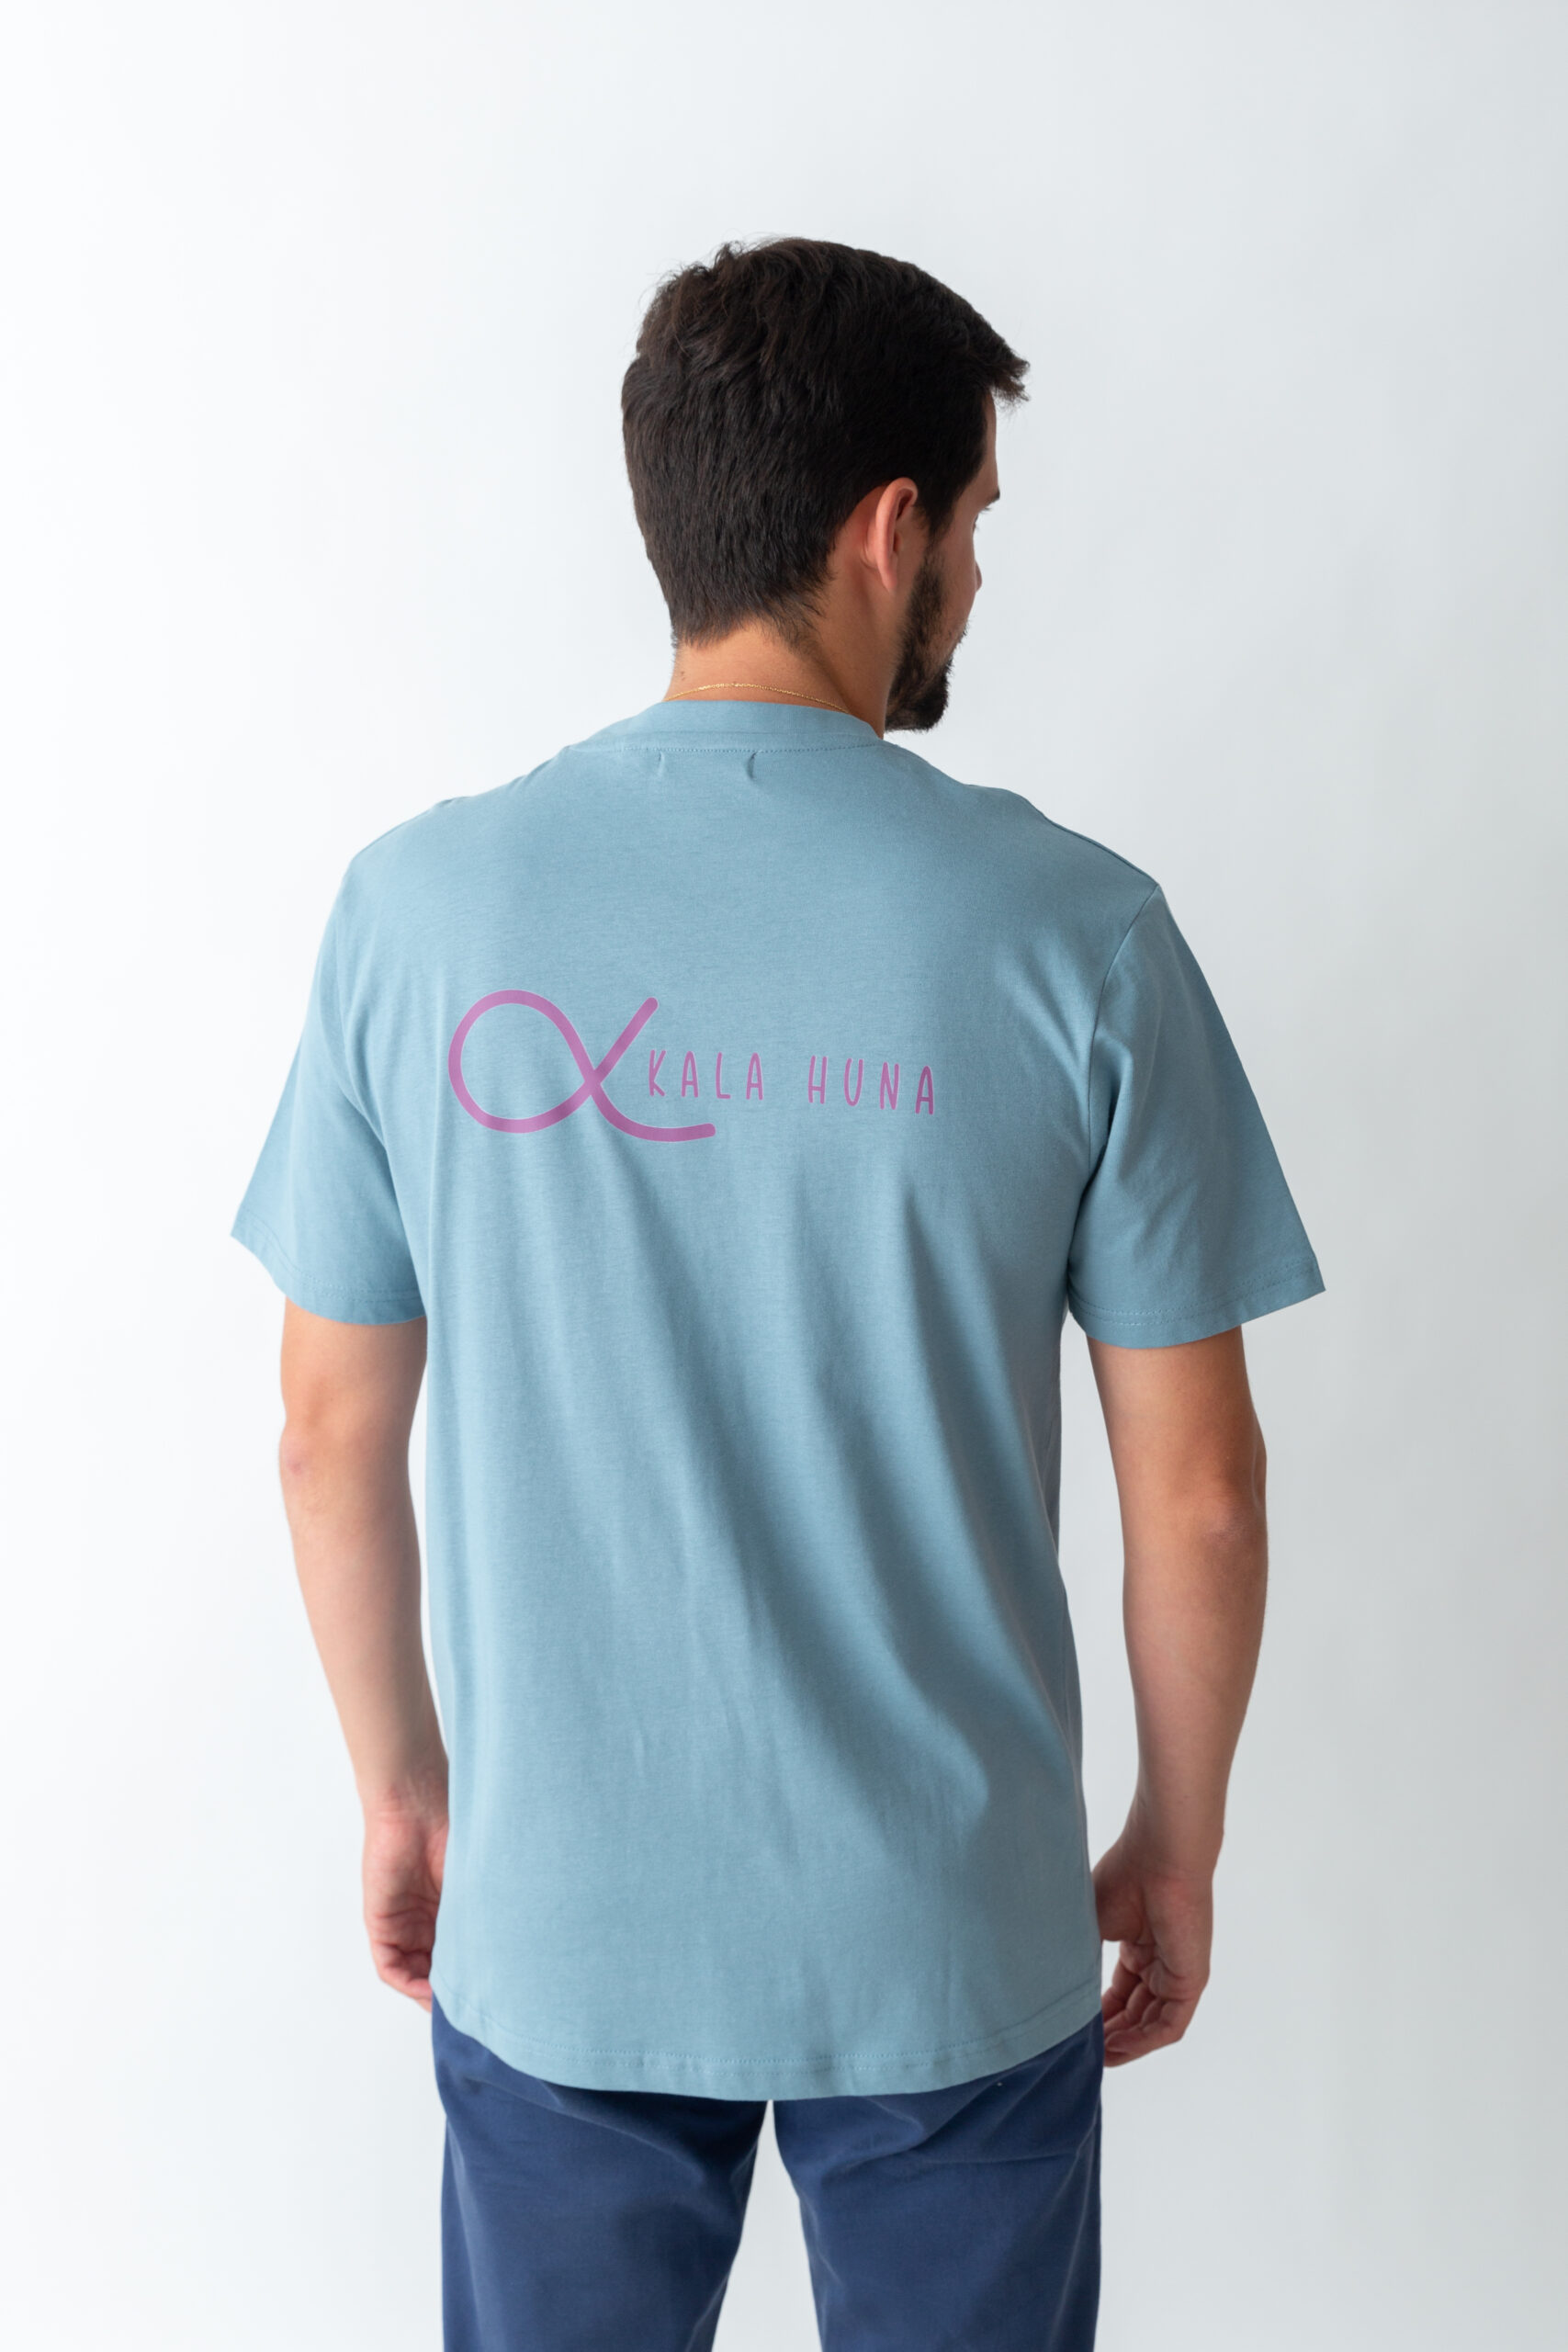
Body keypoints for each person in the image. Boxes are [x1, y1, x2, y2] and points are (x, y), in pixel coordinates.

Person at [234, 237, 1323, 2351]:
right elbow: (1198, 1489)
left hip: (562, 1919)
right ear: (885, 528)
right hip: (949, 1936)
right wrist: (1171, 1840)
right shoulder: (1076, 933)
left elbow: (321, 1433)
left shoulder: (417, 912)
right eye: (974, 521)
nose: (975, 577)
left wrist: (405, 1786)